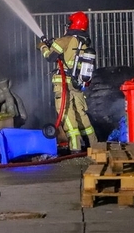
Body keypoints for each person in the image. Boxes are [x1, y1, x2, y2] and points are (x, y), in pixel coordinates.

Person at [37, 11, 97, 153]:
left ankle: (75, 148)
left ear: (73, 24)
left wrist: (43, 46)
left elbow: (50, 57)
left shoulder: (65, 40)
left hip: (62, 84)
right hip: (77, 83)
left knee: (66, 113)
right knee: (81, 114)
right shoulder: (84, 42)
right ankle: (94, 145)